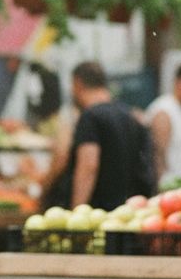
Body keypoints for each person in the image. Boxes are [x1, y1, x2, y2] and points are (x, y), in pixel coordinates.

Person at [63, 61, 154, 209]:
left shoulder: (90, 117)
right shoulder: (129, 115)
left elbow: (88, 166)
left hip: (99, 212)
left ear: (77, 83)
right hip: (129, 210)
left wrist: (77, 210)